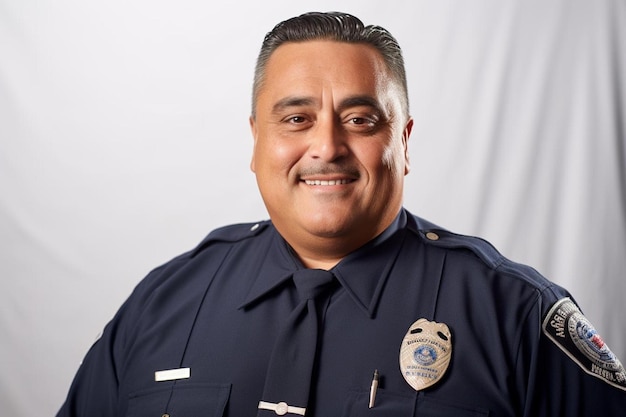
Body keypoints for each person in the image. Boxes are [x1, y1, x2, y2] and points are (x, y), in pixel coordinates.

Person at [57, 11, 626, 417]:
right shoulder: (163, 304)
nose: (326, 146)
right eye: (296, 119)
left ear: (403, 143)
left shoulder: (517, 316)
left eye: (359, 120)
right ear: (256, 142)